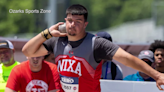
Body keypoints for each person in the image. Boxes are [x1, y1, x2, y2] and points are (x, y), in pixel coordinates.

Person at [22, 4, 164, 92]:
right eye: (70, 21)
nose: (73, 24)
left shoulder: (97, 43)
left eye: (78, 21)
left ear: (85, 24)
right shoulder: (56, 41)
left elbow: (127, 58)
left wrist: (157, 75)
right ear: (65, 21)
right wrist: (47, 33)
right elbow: (28, 51)